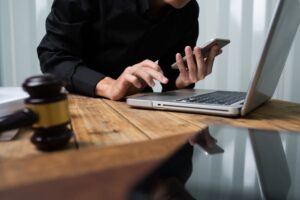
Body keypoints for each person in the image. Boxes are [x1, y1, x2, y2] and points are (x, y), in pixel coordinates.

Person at [38, 0, 221, 101]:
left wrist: (183, 80)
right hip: (82, 106)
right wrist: (109, 85)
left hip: (136, 112)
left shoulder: (187, 11)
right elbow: (53, 55)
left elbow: (170, 79)